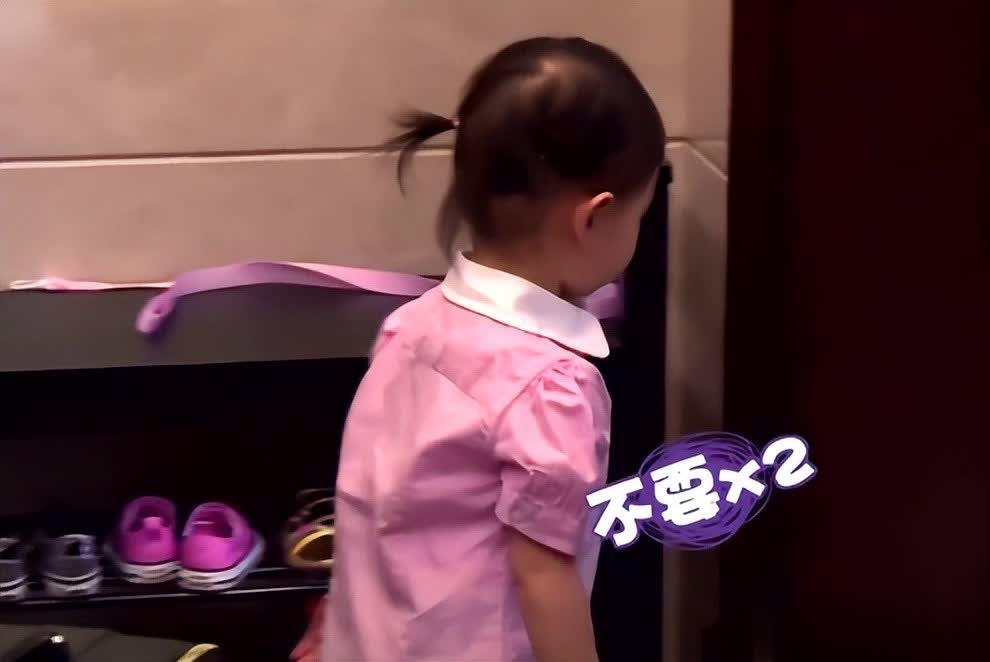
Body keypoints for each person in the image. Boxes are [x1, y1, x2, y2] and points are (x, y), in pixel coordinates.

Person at [292, 36, 665, 662]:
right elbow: (545, 578)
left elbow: (376, 505)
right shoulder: (551, 387)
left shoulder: (410, 327)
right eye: (639, 216)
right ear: (592, 218)